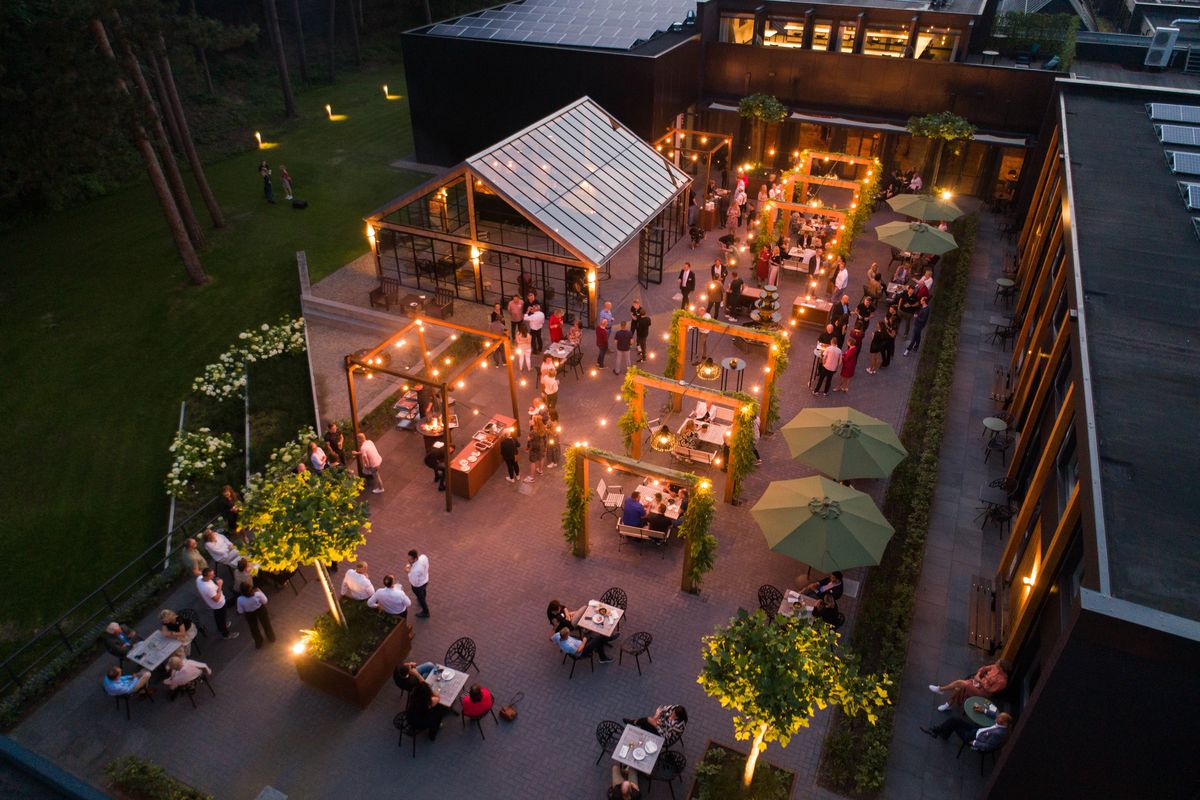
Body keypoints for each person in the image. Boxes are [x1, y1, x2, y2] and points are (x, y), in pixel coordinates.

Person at [930, 660, 1011, 711]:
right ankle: (947, 702)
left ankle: (942, 691)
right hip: (977, 683)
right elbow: (983, 669)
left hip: (982, 692)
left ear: (1001, 668)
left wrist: (980, 681)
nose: (995, 664)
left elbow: (989, 690)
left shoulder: (1002, 682)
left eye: (997, 664)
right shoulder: (995, 667)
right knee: (960, 686)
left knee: (961, 684)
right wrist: (978, 675)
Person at [922, 711, 1012, 751]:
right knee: (955, 719)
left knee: (954, 724)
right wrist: (984, 710)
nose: (997, 717)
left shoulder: (999, 734)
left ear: (1004, 723)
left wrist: (974, 743)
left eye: (1000, 717)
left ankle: (937, 732)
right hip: (977, 730)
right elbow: (995, 714)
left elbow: (988, 746)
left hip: (972, 738)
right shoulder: (1002, 724)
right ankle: (940, 732)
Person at [195, 568, 238, 639]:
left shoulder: (199, 579)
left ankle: (220, 627)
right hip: (219, 605)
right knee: (222, 618)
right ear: (206, 576)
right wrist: (220, 585)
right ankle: (226, 634)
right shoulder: (208, 588)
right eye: (212, 575)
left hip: (213, 605)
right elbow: (216, 599)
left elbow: (198, 573)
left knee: (218, 616)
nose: (214, 576)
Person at [236, 584, 275, 648]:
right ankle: (271, 637)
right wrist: (260, 591)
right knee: (266, 624)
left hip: (249, 614)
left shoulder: (240, 599)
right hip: (260, 610)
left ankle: (259, 642)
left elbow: (240, 611)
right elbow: (265, 601)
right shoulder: (257, 594)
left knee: (254, 628)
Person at [406, 549, 431, 618]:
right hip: (425, 579)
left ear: (415, 558)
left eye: (410, 559)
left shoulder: (415, 571)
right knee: (423, 590)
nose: (408, 560)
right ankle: (423, 596)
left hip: (418, 585)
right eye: (408, 558)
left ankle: (426, 612)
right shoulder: (423, 557)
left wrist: (408, 571)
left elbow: (414, 582)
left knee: (421, 598)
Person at [525, 415, 547, 481]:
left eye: (532, 420)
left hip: (534, 448)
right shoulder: (543, 429)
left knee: (533, 462)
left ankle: (531, 478)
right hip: (542, 446)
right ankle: (540, 470)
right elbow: (545, 439)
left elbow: (529, 440)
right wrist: (545, 447)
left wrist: (527, 448)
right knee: (541, 458)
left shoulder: (533, 432)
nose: (531, 420)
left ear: (535, 422)